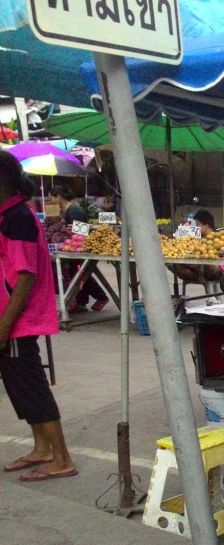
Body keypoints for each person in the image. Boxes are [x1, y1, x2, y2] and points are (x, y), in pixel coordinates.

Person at [0, 151, 77, 481]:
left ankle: (61, 458)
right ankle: (42, 448)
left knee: (31, 386)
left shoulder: (17, 217)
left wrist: (5, 326)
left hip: (18, 320)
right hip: (11, 318)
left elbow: (25, 275)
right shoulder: (9, 214)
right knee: (19, 386)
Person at [57, 188, 111, 313]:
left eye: (52, 197)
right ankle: (81, 303)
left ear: (59, 196)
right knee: (78, 274)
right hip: (71, 249)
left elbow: (81, 233)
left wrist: (71, 239)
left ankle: (101, 297)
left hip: (80, 249)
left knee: (80, 274)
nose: (50, 200)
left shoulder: (75, 211)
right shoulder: (65, 211)